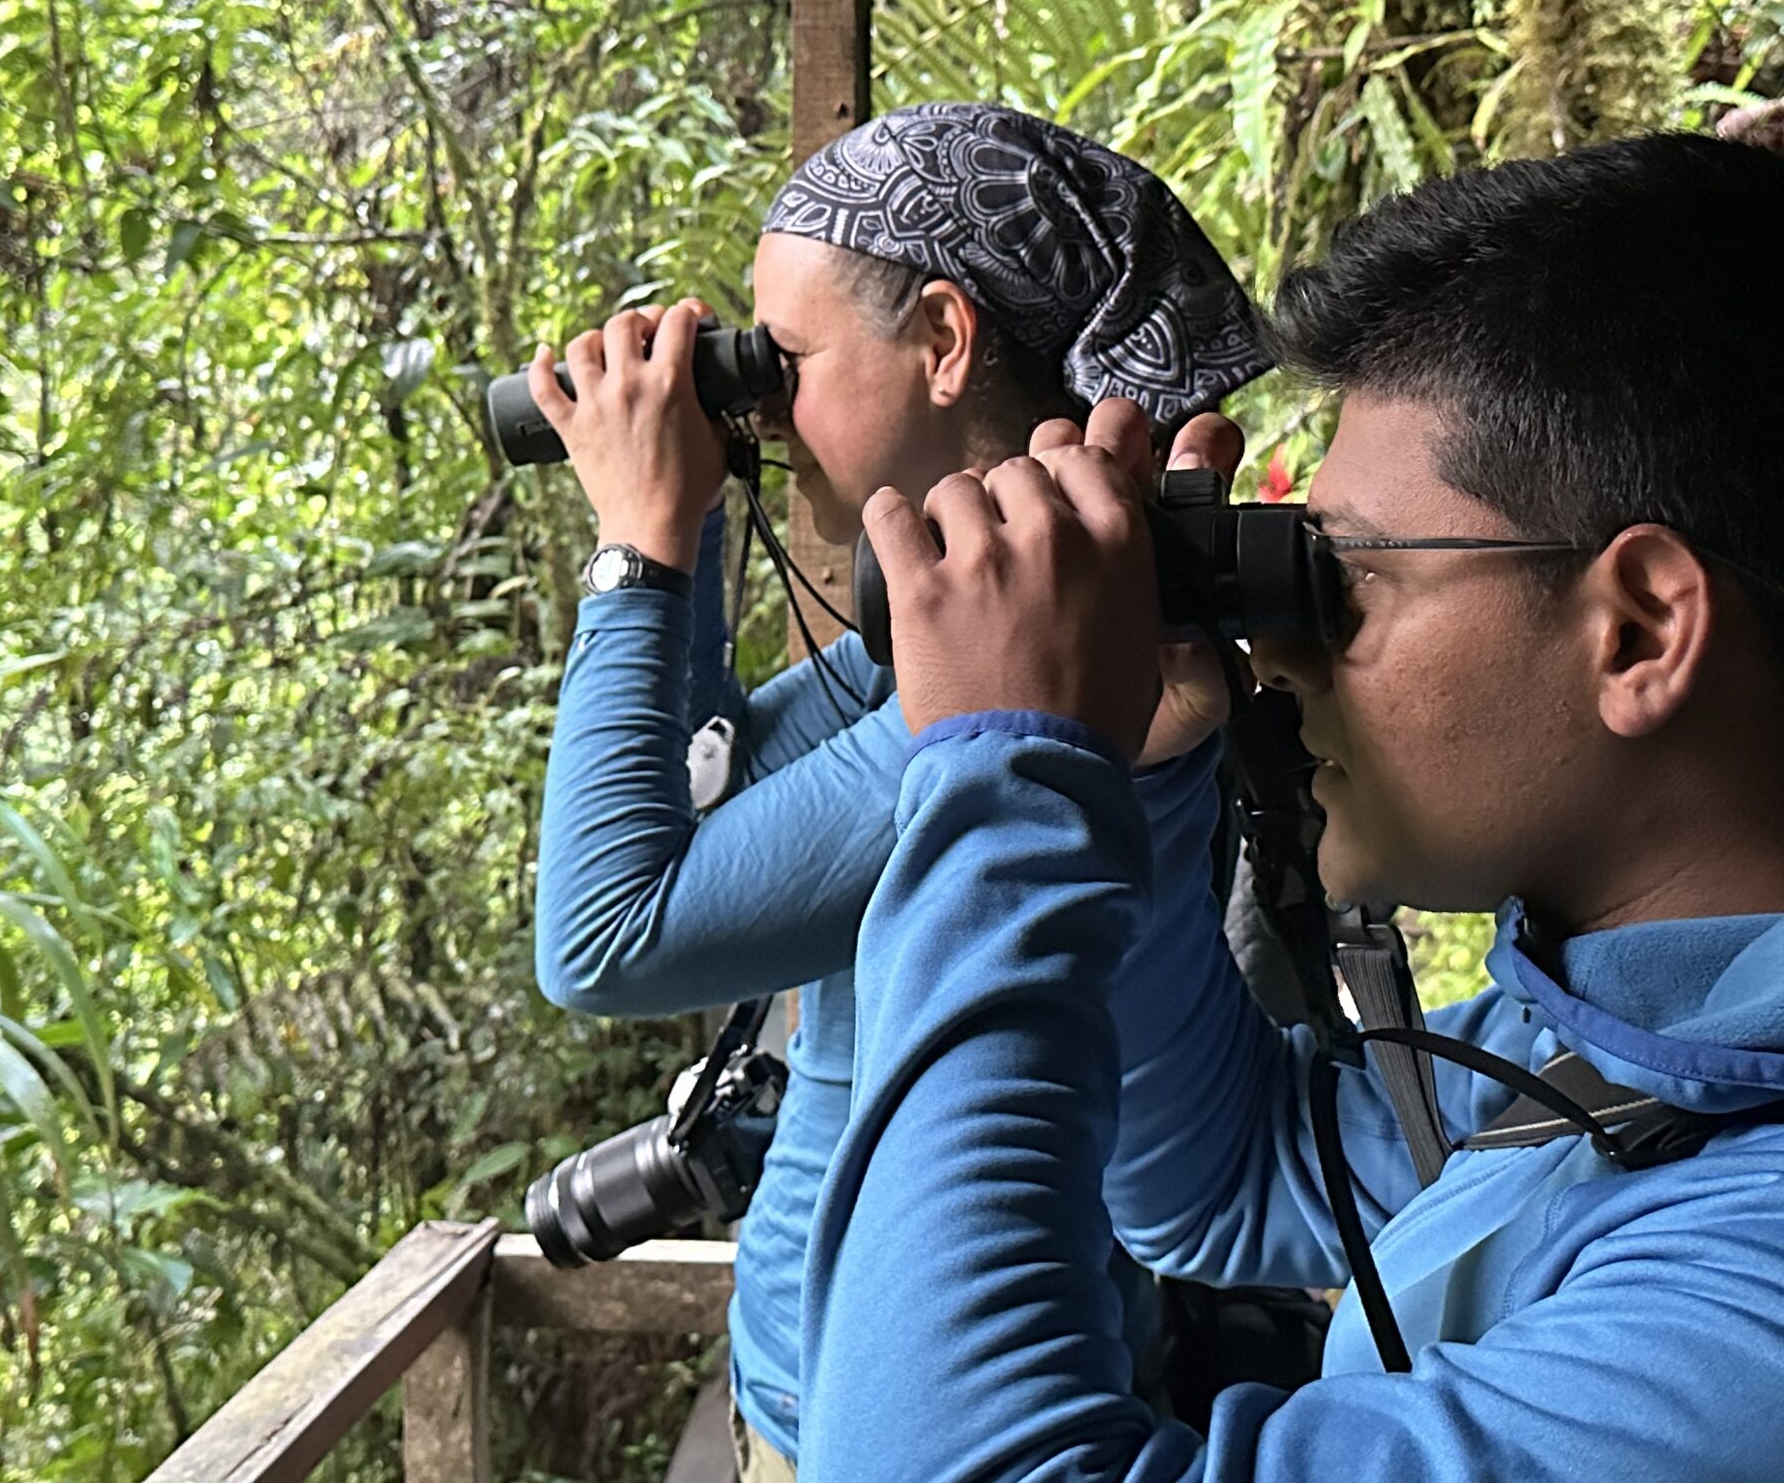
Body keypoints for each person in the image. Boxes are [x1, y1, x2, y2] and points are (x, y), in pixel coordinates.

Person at [808, 133, 1784, 1482]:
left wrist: (1009, 777)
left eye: (1343, 585)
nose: (1277, 652)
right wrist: (1152, 772)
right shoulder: (1747, 995)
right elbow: (1229, 1174)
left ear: (1637, 631)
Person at [522, 102, 1269, 1479]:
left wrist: (635, 548)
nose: (758, 402)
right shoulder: (938, 639)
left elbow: (609, 932)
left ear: (942, 339)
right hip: (817, 1387)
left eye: (784, 359)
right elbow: (700, 797)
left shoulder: (1030, 680)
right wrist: (679, 523)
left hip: (905, 1430)